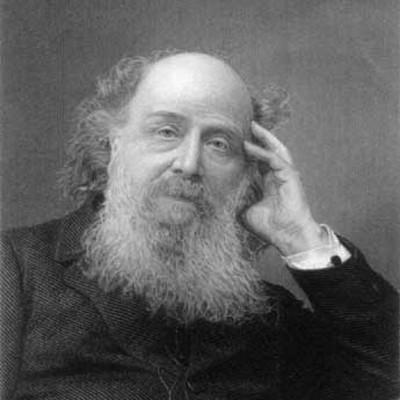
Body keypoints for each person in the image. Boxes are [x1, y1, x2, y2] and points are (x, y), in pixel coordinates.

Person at [1, 51, 398, 400]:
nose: (189, 163)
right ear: (114, 145)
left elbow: (385, 380)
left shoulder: (265, 312)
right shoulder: (16, 269)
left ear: (247, 171)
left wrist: (300, 236)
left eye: (219, 143)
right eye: (166, 132)